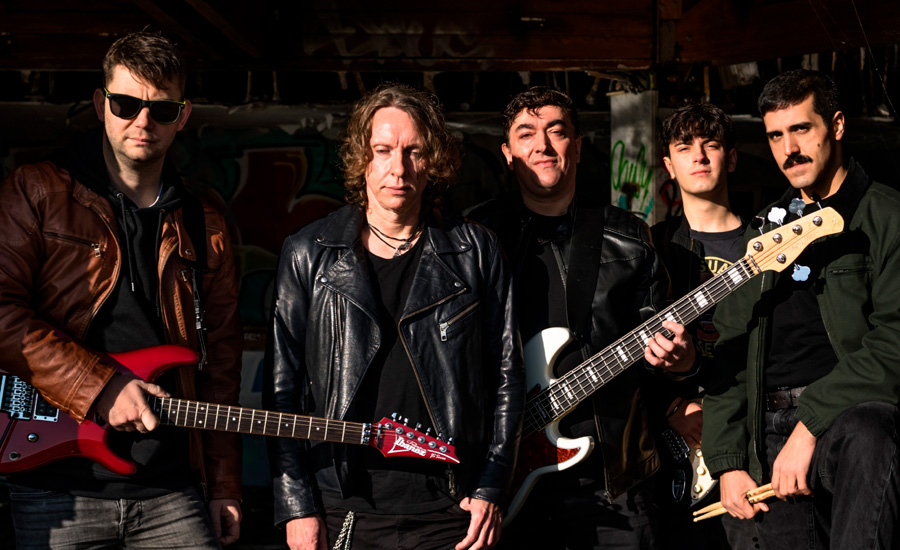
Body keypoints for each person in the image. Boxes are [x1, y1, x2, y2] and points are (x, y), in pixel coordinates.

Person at [0, 32, 243, 548]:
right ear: (100, 104)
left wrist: (223, 486)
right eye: (126, 104)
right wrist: (101, 387)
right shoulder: (38, 192)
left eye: (161, 109)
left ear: (183, 115)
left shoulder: (205, 223)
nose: (143, 121)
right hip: (57, 486)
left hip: (171, 489)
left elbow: (220, 365)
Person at [263, 83, 523, 550]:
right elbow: (282, 390)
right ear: (362, 157)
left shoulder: (475, 250)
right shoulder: (308, 253)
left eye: (413, 151)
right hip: (344, 505)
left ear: (433, 159)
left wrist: (491, 486)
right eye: (383, 150)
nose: (398, 168)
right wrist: (296, 506)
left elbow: (507, 376)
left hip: (451, 510)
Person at [467, 86, 695, 550]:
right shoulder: (473, 238)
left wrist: (680, 362)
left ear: (577, 144)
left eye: (556, 131)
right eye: (526, 134)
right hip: (503, 481)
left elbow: (659, 355)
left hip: (613, 480)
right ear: (507, 153)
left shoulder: (627, 236)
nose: (542, 145)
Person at [702, 69, 900, 549]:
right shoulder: (762, 233)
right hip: (769, 436)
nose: (788, 148)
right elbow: (730, 350)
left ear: (836, 126)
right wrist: (728, 463)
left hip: (848, 422)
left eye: (801, 129)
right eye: (775, 135)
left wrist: (810, 424)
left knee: (870, 431)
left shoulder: (886, 216)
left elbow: (894, 341)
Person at [651, 103, 758, 549]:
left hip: (754, 434)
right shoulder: (651, 248)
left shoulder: (766, 244)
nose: (698, 156)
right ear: (668, 165)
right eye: (684, 147)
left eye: (710, 145)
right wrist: (671, 407)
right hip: (675, 449)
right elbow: (624, 347)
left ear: (730, 158)